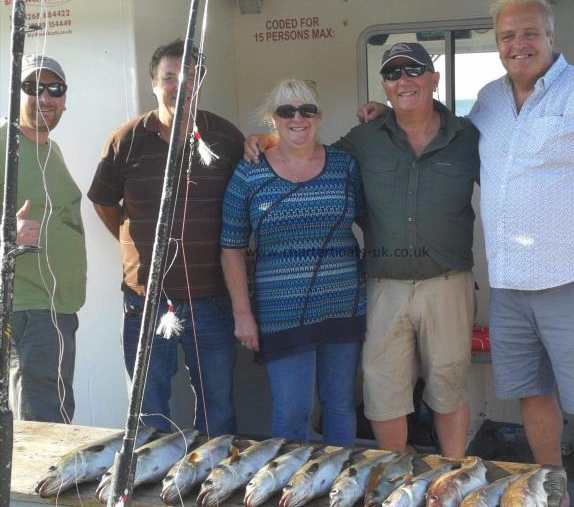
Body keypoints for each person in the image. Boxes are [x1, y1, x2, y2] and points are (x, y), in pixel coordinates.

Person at [246, 44, 479, 457]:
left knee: (449, 385)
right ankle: (394, 482)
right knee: (384, 391)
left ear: (434, 78)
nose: (404, 80)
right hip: (383, 286)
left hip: (449, 283)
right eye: (393, 74)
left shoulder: (468, 136)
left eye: (414, 70)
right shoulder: (364, 139)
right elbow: (311, 153)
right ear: (385, 88)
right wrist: (268, 138)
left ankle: (452, 478)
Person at [467, 0, 574, 505]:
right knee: (533, 397)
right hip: (510, 286)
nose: (517, 45)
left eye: (528, 34)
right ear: (497, 43)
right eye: (506, 37)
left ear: (550, 36)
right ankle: (552, 493)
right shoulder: (487, 101)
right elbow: (445, 137)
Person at [88, 40, 244, 436]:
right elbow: (104, 202)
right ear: (154, 84)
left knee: (218, 407)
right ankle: (151, 492)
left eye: (189, 76)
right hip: (145, 301)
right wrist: (134, 246)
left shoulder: (225, 137)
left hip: (211, 299)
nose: (180, 85)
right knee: (148, 407)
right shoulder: (125, 140)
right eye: (169, 77)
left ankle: (210, 488)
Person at [221, 79, 365, 445]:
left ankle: (338, 493)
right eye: (286, 111)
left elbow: (374, 221)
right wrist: (242, 313)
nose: (297, 118)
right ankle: (291, 495)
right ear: (273, 119)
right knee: (292, 411)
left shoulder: (345, 166)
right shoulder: (249, 172)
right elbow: (231, 247)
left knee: (340, 406)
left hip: (344, 306)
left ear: (320, 116)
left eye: (307, 110)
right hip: (281, 313)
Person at [0, 55, 86, 422]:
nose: (45, 98)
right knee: (42, 424)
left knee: (56, 415)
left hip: (57, 310)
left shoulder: (52, 149)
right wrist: (6, 236)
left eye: (55, 89)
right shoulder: (5, 142)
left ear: (65, 99)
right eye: (32, 88)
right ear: (15, 94)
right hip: (26, 309)